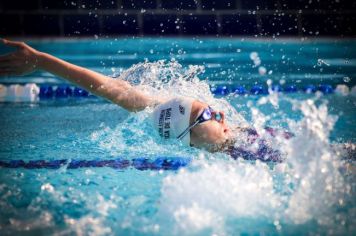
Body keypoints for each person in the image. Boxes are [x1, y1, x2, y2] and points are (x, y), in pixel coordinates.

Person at [1, 39, 352, 162]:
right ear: (193, 137)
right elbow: (114, 90)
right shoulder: (237, 160)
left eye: (213, 109)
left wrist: (43, 62)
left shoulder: (244, 137)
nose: (218, 111)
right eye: (208, 115)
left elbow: (115, 89)